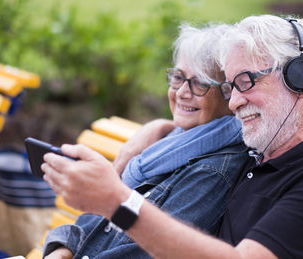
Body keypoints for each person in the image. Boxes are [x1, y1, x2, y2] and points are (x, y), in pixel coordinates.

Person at [42, 15, 303, 258]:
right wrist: (159, 128)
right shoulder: (261, 156)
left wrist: (118, 202)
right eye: (231, 87)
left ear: (300, 79)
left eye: (246, 81)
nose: (234, 101)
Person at [42, 23, 250, 258]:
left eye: (201, 82)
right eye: (178, 77)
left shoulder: (213, 173)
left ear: (229, 93)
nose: (182, 92)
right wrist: (61, 251)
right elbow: (98, 211)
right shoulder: (172, 141)